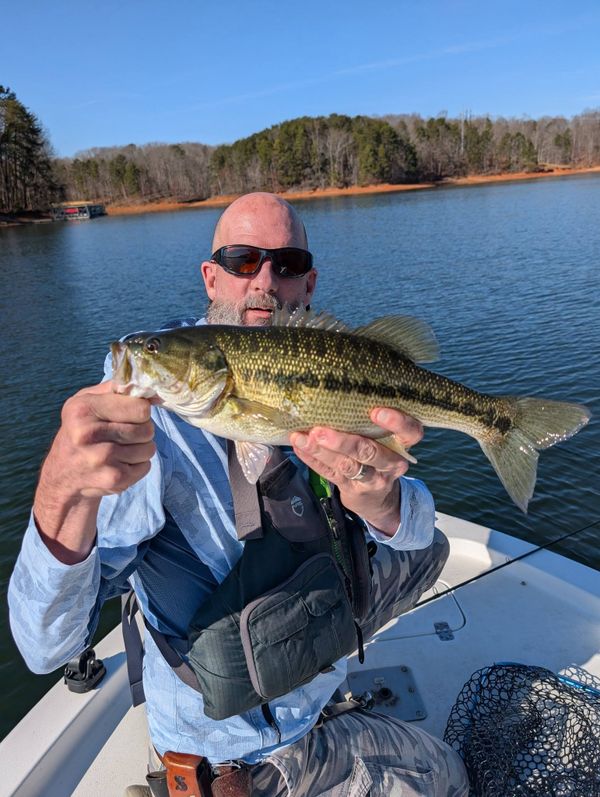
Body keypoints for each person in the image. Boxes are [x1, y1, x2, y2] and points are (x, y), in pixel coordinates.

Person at [9, 192, 468, 796]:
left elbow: (414, 532)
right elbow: (47, 648)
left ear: (309, 284)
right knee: (449, 779)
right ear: (211, 276)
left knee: (428, 549)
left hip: (311, 666)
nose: (266, 281)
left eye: (288, 262)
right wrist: (62, 492)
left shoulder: (330, 368)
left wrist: (379, 499)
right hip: (237, 745)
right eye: (243, 259)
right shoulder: (148, 422)